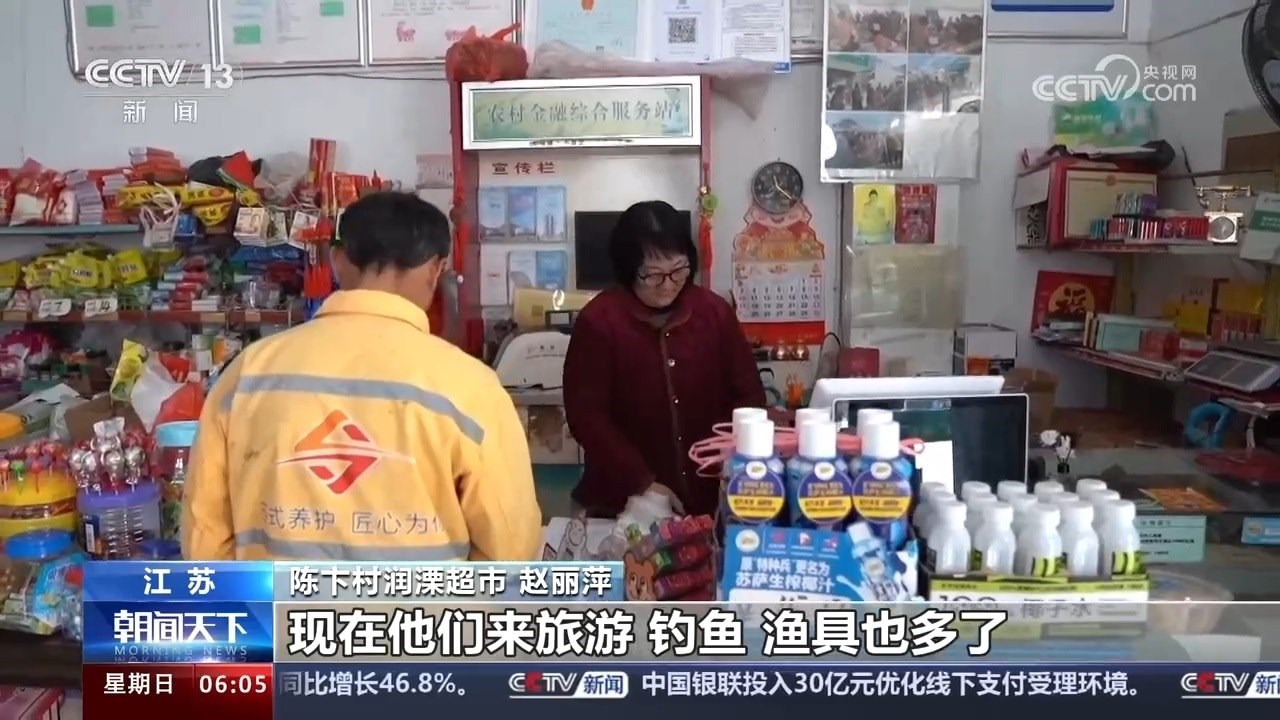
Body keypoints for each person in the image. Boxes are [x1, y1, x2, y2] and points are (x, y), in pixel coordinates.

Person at [182, 192, 542, 561]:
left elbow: (204, 539)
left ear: (338, 260)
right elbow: (511, 549)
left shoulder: (247, 373)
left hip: (276, 600)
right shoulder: (470, 386)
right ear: (436, 269)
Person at [563, 201, 765, 518]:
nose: (669, 284)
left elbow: (749, 396)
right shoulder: (599, 322)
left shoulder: (714, 313)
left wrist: (731, 458)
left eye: (678, 270)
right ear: (629, 269)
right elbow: (586, 416)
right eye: (653, 275)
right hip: (623, 504)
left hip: (711, 496)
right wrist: (641, 481)